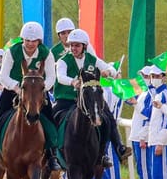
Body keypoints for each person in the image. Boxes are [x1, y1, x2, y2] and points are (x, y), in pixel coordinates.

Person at [52, 29, 130, 169]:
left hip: (88, 99)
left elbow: (109, 68)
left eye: (77, 45)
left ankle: (117, 148)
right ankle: (51, 154)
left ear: (84, 46)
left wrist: (109, 72)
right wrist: (73, 82)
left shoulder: (91, 59)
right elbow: (60, 77)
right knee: (52, 117)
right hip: (67, 99)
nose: (74, 48)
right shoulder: (63, 61)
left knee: (108, 117)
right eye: (72, 45)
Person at [0, 22, 57, 169]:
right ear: (22, 39)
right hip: (13, 90)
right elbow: (3, 75)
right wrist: (17, 88)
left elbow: (51, 77)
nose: (30, 44)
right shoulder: (12, 51)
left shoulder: (46, 53)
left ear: (39, 41)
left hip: (37, 92)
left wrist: (42, 89)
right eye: (27, 40)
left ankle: (52, 156)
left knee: (50, 120)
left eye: (34, 41)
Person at [127, 66, 156, 179]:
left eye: (145, 75)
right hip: (137, 135)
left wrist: (144, 137)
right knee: (141, 167)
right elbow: (132, 102)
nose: (142, 77)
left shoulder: (151, 93)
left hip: (142, 137)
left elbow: (147, 116)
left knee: (144, 168)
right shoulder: (144, 92)